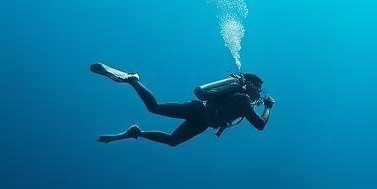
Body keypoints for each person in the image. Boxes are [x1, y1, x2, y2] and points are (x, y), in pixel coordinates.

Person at [91, 63, 274, 146]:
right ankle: (134, 80)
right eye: (258, 90)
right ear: (251, 86)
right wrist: (268, 107)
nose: (258, 94)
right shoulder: (242, 99)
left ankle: (136, 133)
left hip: (204, 121)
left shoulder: (240, 100)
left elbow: (225, 114)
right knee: (154, 108)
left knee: (172, 141)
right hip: (199, 110)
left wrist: (221, 128)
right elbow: (260, 125)